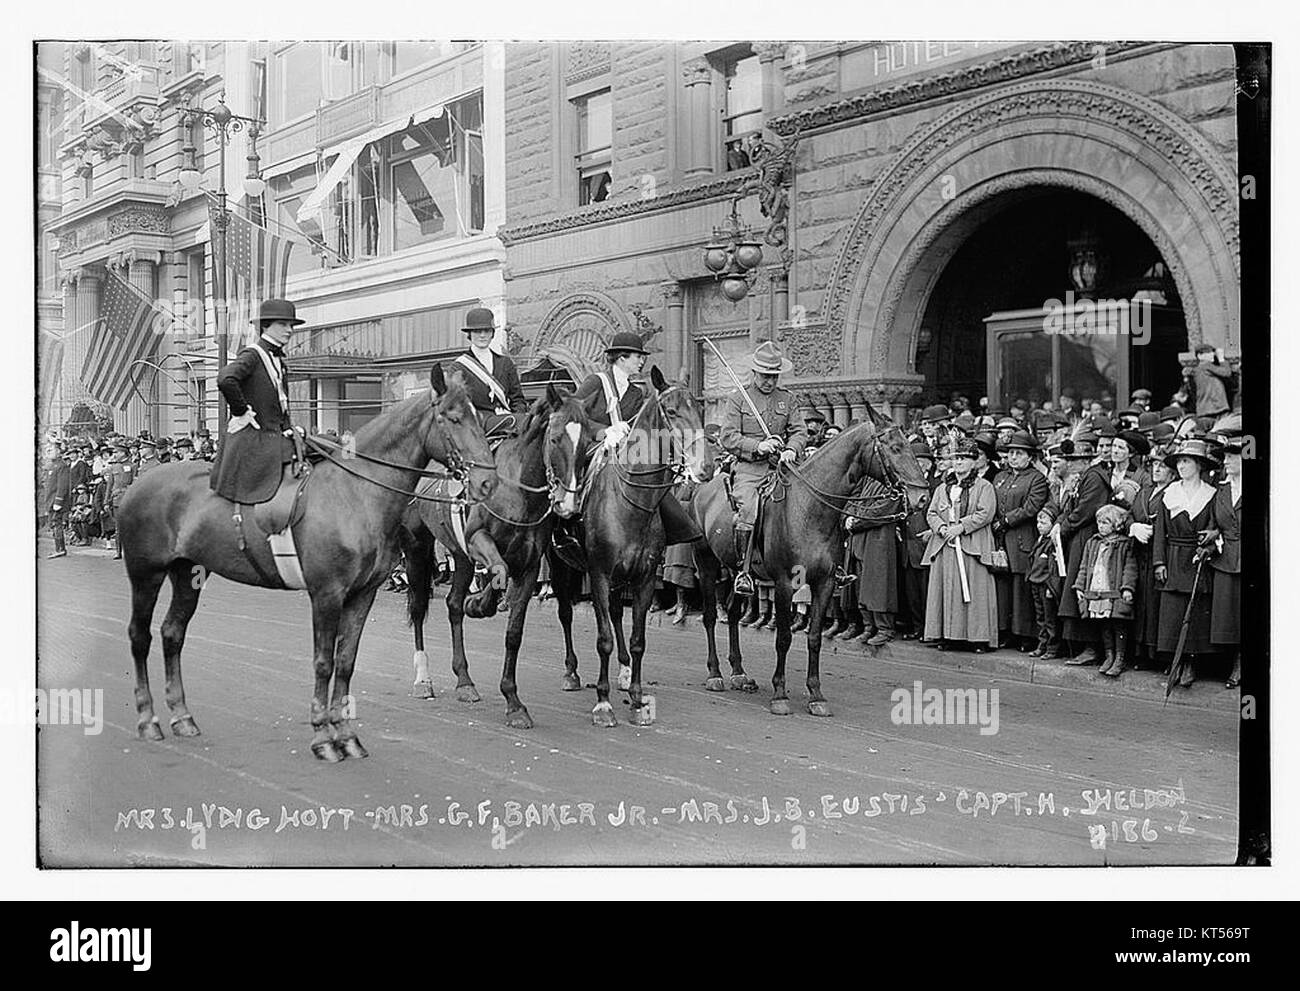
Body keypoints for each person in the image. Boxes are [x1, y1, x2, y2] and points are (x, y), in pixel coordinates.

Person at [566, 330, 703, 558]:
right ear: (621, 358)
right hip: (593, 448)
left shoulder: (635, 393)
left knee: (649, 482)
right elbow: (572, 416)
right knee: (573, 481)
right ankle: (568, 523)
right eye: (637, 357)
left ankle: (663, 533)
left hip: (625, 454)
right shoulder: (596, 382)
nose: (642, 361)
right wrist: (604, 431)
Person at [719, 341, 808, 597]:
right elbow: (728, 437)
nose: (769, 381)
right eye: (765, 375)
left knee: (811, 504)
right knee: (748, 507)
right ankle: (744, 571)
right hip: (752, 468)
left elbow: (799, 430)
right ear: (754, 373)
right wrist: (759, 446)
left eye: (774, 376)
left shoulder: (788, 399)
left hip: (783, 467)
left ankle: (816, 568)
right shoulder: (738, 399)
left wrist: (792, 448)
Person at [210, 297, 303, 505]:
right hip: (256, 440)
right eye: (283, 324)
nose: (289, 330)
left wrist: (288, 428)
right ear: (266, 326)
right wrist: (241, 412)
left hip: (275, 437)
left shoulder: (279, 360)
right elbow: (226, 379)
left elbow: (279, 405)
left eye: (291, 325)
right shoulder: (253, 354)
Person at [1153, 438, 1219, 687]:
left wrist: (1208, 546)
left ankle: (1190, 662)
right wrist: (1159, 562)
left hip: (1197, 558)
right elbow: (1160, 531)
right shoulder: (1169, 493)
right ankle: (1175, 660)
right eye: (1179, 461)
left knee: (1195, 611)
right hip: (1173, 555)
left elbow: (1216, 527)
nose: (1181, 466)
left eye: (1186, 461)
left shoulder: (1211, 494)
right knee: (1172, 610)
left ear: (1199, 465)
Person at [921, 439, 999, 652]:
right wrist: (942, 528)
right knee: (947, 590)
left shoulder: (984, 487)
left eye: (963, 458)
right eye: (955, 458)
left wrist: (961, 527)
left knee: (974, 591)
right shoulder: (943, 487)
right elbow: (931, 512)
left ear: (974, 462)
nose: (958, 462)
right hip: (946, 544)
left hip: (971, 545)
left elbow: (986, 513)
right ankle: (948, 635)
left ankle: (977, 638)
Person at [1057, 431, 1114, 666]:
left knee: (1083, 588)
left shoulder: (1094, 477)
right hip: (1079, 537)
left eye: (1073, 460)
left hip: (1086, 537)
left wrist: (1063, 527)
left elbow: (1084, 511)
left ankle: (1091, 647)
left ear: (1083, 460)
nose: (1069, 464)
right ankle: (1082, 646)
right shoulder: (1085, 476)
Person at [992, 431, 1050, 651]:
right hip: (1000, 538)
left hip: (1022, 537)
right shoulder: (1000, 477)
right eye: (1011, 453)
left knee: (1022, 589)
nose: (1013, 457)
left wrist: (1006, 520)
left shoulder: (1036, 478)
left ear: (1029, 456)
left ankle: (1026, 634)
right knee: (1003, 587)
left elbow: (1032, 507)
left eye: (1019, 453)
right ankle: (1005, 631)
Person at [441, 307, 530, 439]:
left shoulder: (505, 363)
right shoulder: (459, 367)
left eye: (487, 330)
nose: (482, 335)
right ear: (469, 334)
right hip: (477, 424)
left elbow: (517, 399)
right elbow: (457, 406)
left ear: (492, 333)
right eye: (477, 331)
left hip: (509, 420)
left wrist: (517, 414)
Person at [1073, 504, 1139, 677]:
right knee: (1103, 624)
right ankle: (1109, 656)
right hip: (1097, 590)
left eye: (1105, 523)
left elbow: (1130, 568)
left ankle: (1120, 658)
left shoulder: (1124, 544)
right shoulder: (1092, 542)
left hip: (1114, 591)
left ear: (1116, 525)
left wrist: (1127, 588)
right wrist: (1080, 586)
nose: (1101, 526)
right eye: (1099, 522)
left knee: (1118, 624)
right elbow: (1084, 566)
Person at [845, 474, 902, 645]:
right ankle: (868, 626)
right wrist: (847, 517)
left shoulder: (894, 482)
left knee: (878, 585)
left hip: (878, 540)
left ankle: (885, 628)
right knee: (860, 586)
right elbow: (850, 501)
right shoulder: (865, 480)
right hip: (858, 541)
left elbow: (883, 509)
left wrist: (856, 520)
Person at [1207, 435, 1242, 687]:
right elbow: (1215, 522)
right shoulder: (1222, 489)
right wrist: (1215, 534)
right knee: (1228, 616)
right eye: (1225, 456)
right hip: (1226, 559)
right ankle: (1231, 664)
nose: (1226, 461)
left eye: (1232, 456)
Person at [897, 441, 935, 639]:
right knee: (912, 592)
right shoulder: (905, 485)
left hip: (925, 545)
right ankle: (917, 627)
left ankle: (929, 629)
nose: (916, 467)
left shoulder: (933, 485)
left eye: (919, 462)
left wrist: (931, 531)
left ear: (928, 464)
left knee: (926, 591)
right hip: (907, 545)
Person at [1026, 505, 1065, 658]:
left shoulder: (1052, 542)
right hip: (1035, 582)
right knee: (1040, 617)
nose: (1039, 526)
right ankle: (1042, 644)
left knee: (1050, 618)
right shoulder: (1040, 540)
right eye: (1038, 522)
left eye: (1043, 523)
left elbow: (1054, 567)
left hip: (1046, 584)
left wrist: (1051, 586)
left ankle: (1052, 647)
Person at [1190, 344, 1233, 417]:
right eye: (1208, 353)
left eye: (1212, 352)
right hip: (1215, 407)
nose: (1212, 354)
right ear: (1200, 356)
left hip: (1206, 408)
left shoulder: (1199, 368)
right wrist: (1221, 359)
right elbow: (1226, 372)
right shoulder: (1205, 365)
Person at [44, 448, 73, 559]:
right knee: (54, 524)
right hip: (51, 500)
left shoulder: (62, 466)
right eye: (48, 451)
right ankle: (59, 548)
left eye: (51, 450)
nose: (48, 452)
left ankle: (60, 549)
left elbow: (63, 485)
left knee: (57, 524)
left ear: (58, 452)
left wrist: (58, 500)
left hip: (56, 500)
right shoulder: (51, 466)